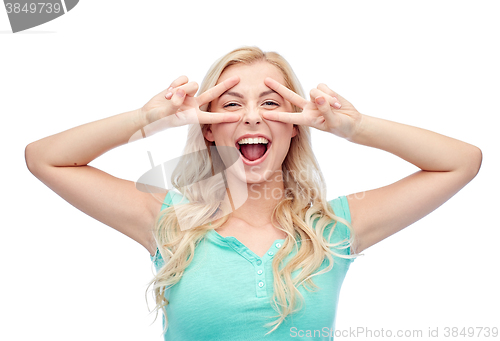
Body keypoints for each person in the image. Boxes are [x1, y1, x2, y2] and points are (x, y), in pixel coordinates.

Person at [25, 46, 482, 340]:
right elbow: (45, 157)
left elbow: (461, 161)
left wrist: (355, 128)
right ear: (207, 129)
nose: (251, 117)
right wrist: (151, 119)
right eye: (230, 105)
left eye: (270, 103)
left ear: (295, 127)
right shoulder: (168, 221)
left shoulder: (335, 228)